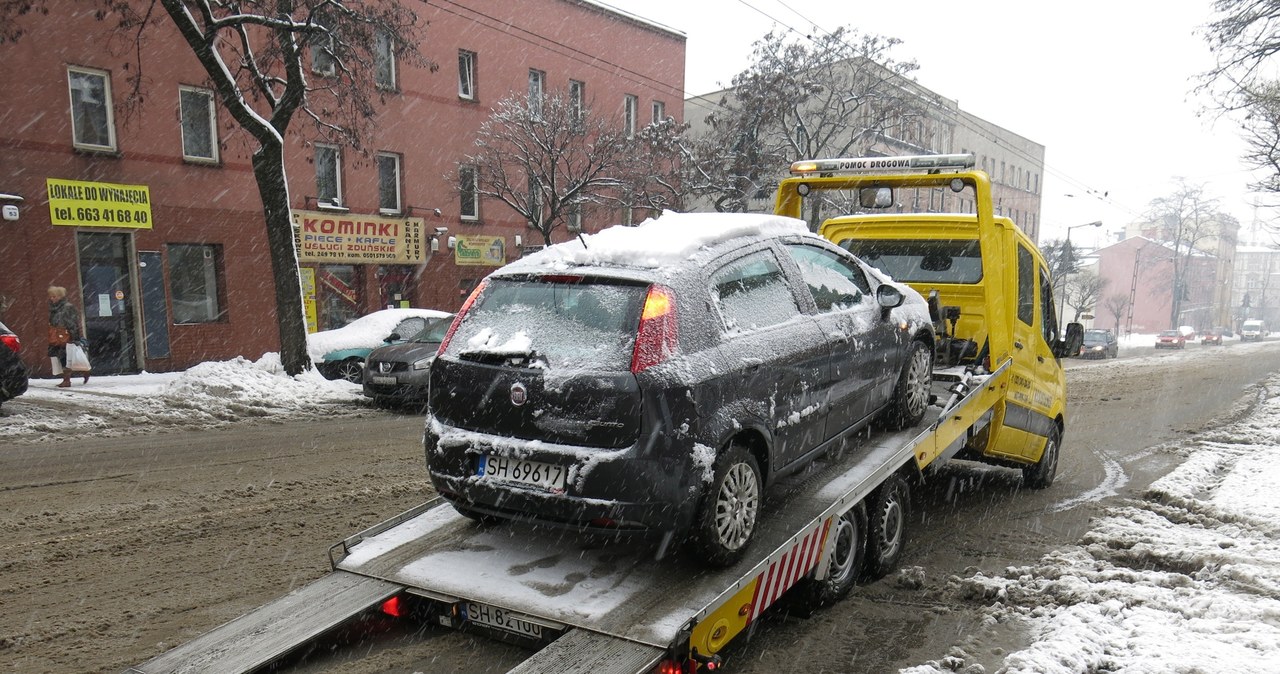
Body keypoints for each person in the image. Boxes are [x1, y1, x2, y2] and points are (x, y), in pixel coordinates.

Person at [48, 285, 88, 388]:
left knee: (68, 358)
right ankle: (83, 372)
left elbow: (72, 323)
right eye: (51, 296)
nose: (52, 298)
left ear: (61, 296)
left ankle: (68, 380)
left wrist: (74, 338)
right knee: (62, 358)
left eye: (54, 296)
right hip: (56, 336)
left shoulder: (67, 307)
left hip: (66, 336)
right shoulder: (53, 308)